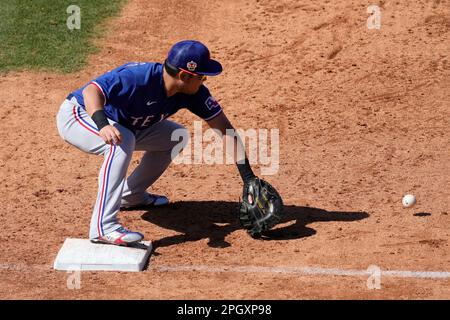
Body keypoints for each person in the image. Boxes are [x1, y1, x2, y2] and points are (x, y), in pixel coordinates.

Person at [56, 40, 257, 246]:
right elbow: (91, 92)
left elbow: (223, 127)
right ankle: (103, 227)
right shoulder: (137, 78)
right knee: (121, 143)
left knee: (176, 135)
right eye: (202, 76)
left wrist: (248, 176)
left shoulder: (192, 92)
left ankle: (131, 196)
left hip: (126, 125)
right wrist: (102, 125)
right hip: (79, 115)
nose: (204, 81)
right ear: (184, 76)